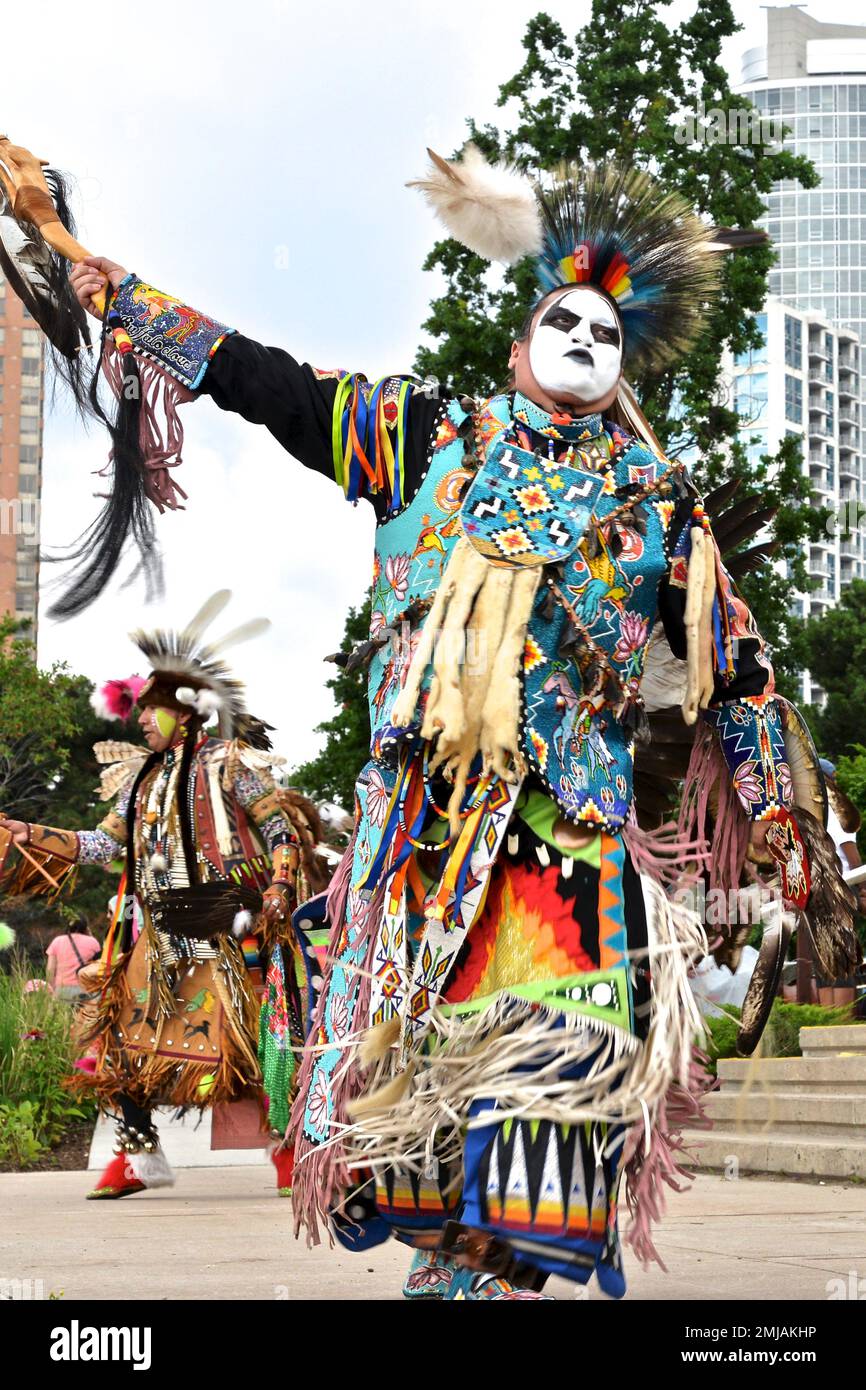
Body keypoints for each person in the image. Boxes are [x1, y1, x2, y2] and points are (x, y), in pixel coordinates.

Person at [63, 153, 856, 1296]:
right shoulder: (418, 435)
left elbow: (738, 672)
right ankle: (449, 1266)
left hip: (560, 835)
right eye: (563, 319)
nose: (584, 337)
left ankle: (496, 1273)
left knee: (542, 1083)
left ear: (621, 363)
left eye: (605, 332)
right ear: (518, 343)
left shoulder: (655, 504)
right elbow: (265, 380)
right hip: (419, 840)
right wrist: (122, 296)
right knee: (411, 1099)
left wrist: (780, 817)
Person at [0, 597, 322, 1201]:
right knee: (118, 1047)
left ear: (186, 712)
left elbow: (281, 828)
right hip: (160, 936)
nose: (141, 722)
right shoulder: (143, 781)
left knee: (249, 1049)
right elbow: (104, 845)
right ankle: (138, 1157)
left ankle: (288, 1154)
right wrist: (31, 834)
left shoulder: (229, 765)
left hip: (230, 930)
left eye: (152, 711)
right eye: (141, 712)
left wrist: (280, 886)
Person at [45, 916, 101, 1003]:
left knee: (64, 1016)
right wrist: (90, 935)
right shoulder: (93, 942)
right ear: (85, 927)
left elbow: (50, 970)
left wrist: (52, 990)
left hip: (62, 990)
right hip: (86, 991)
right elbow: (99, 967)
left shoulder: (57, 941)